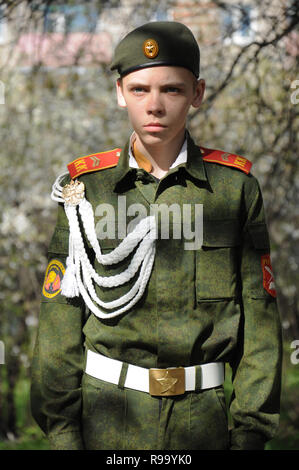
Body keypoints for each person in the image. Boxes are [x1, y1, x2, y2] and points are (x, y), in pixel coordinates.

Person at [30, 21, 282, 451]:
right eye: (139, 89)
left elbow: (259, 325)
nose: (155, 106)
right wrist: (65, 434)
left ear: (197, 94)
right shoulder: (86, 190)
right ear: (119, 93)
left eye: (172, 90)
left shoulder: (234, 189)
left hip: (202, 423)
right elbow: (60, 324)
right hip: (107, 420)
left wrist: (249, 435)